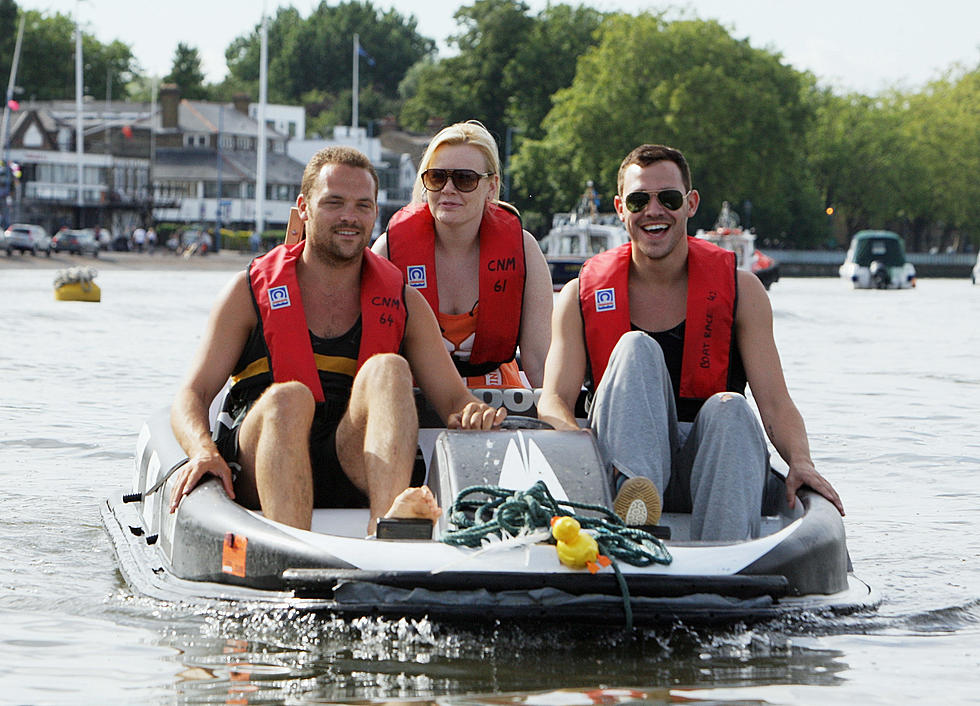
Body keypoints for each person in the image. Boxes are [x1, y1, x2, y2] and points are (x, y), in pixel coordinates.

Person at [168, 146, 506, 534]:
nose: (349, 217)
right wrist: (203, 452)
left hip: (352, 458)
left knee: (389, 368)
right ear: (305, 207)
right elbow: (191, 395)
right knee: (289, 398)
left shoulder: (403, 300)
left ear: (375, 213)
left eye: (363, 205)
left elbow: (453, 400)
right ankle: (288, 556)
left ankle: (389, 540)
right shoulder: (247, 293)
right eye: (334, 202)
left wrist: (474, 412)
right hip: (265, 456)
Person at [536, 144, 843, 541]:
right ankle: (635, 512)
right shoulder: (580, 295)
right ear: (620, 208)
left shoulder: (743, 291)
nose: (654, 211)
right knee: (635, 348)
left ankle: (726, 549)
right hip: (620, 465)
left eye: (668, 199)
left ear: (690, 203)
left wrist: (801, 462)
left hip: (711, 460)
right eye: (639, 200)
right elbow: (553, 399)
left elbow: (775, 403)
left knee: (730, 408)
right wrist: (574, 444)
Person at [371, 120, 553, 390]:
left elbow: (538, 362)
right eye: (437, 177)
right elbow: (375, 360)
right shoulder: (389, 251)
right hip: (416, 401)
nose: (448, 189)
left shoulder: (524, 250)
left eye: (465, 179)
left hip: (500, 402)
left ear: (492, 187)